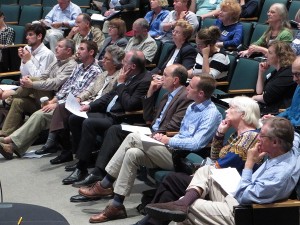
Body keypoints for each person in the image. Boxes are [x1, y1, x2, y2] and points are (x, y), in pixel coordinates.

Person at [78, 75, 222, 223]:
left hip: (185, 158)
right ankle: (116, 205)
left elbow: (197, 143)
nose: (187, 88)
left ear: (201, 94)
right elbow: (183, 134)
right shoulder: (192, 106)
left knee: (133, 138)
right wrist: (163, 137)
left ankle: (105, 184)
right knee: (133, 153)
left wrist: (169, 140)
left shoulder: (211, 114)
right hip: (171, 149)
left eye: (190, 86)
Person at [145, 117, 300, 225]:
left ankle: (182, 204)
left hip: (242, 211)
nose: (257, 137)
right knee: (207, 170)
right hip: (238, 195)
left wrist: (250, 163)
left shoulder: (280, 174)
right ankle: (182, 203)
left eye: (262, 135)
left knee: (191, 207)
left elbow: (245, 197)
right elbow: (296, 136)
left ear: (275, 142)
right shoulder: (289, 148)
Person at [135, 95, 261, 225]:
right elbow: (215, 158)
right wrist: (219, 134)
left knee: (172, 180)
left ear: (243, 114)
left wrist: (198, 175)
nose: (226, 111)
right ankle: (148, 222)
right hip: (216, 181)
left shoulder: (251, 137)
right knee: (170, 189)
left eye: (231, 108)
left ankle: (146, 222)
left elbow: (221, 165)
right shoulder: (237, 135)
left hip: (228, 191)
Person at [65, 64, 193, 188]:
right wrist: (150, 93)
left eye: (165, 75)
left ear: (175, 80)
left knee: (115, 129)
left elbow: (172, 126)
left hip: (160, 136)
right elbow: (148, 118)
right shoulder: (167, 94)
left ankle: (100, 175)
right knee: (115, 130)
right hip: (151, 129)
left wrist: (151, 134)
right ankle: (97, 172)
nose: (160, 78)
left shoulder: (183, 97)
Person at [0, 40, 101, 160]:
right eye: (78, 48)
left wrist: (57, 103)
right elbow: (66, 87)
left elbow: (83, 95)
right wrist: (54, 100)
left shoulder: (94, 71)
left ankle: (9, 143)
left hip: (73, 106)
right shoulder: (79, 67)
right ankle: (6, 136)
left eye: (82, 49)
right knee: (20, 100)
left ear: (91, 52)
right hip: (58, 99)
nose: (78, 51)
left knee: (40, 114)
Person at [47, 50, 151, 165]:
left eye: (124, 61)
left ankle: (83, 164)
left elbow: (130, 105)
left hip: (120, 117)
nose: (122, 63)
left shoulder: (144, 80)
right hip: (108, 112)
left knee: (88, 122)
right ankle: (78, 155)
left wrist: (121, 84)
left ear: (133, 66)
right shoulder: (127, 74)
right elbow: (109, 95)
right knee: (74, 118)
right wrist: (90, 106)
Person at [35, 45, 125, 157]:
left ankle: (66, 149)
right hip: (87, 102)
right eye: (104, 57)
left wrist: (88, 104)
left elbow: (107, 98)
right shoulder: (103, 74)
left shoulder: (119, 77)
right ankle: (66, 148)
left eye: (107, 59)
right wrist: (79, 98)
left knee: (69, 115)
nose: (103, 60)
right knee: (62, 107)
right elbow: (89, 90)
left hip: (98, 107)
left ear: (115, 63)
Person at [0, 38, 77, 138]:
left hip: (54, 100)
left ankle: (8, 99)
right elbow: (42, 76)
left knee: (33, 81)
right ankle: (5, 134)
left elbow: (55, 83)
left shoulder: (71, 65)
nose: (56, 48)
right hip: (41, 96)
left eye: (60, 46)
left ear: (68, 51)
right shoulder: (56, 61)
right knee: (18, 101)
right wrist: (28, 80)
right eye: (56, 46)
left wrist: (32, 84)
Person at [252, 40, 297, 114]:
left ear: (279, 56)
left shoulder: (287, 74)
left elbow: (266, 98)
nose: (266, 55)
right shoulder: (276, 71)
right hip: (268, 108)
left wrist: (253, 98)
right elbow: (259, 92)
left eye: (270, 53)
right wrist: (261, 73)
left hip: (276, 112)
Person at [263, 56, 300, 133]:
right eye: (293, 74)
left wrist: (279, 123)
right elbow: (291, 110)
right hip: (289, 127)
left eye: (297, 74)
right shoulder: (299, 86)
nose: (294, 79)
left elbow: (298, 125)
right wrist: (276, 118)